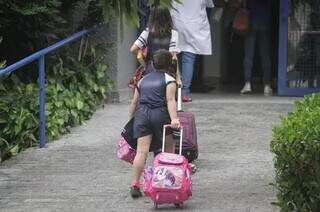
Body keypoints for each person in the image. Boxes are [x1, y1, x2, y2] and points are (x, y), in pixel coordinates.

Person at [128, 49, 181, 198]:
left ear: (153, 63)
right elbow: (171, 101)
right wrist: (174, 119)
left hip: (142, 115)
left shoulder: (142, 80)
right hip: (160, 115)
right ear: (170, 63)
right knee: (168, 150)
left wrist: (131, 120)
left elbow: (134, 103)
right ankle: (167, 183)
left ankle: (135, 184)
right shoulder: (169, 80)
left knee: (141, 152)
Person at [170, 0, 214, 102]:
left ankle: (173, 91)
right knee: (188, 59)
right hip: (195, 25)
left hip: (178, 23)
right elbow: (209, 4)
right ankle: (184, 93)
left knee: (174, 56)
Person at [130, 6, 180, 76]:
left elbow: (133, 49)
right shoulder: (173, 33)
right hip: (167, 72)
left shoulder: (147, 32)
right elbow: (173, 57)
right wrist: (178, 77)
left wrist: (145, 63)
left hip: (150, 70)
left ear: (152, 17)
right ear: (167, 17)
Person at [240, 0, 273, 96]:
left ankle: (247, 84)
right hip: (265, 22)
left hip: (251, 22)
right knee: (265, 55)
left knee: (248, 55)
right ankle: (267, 86)